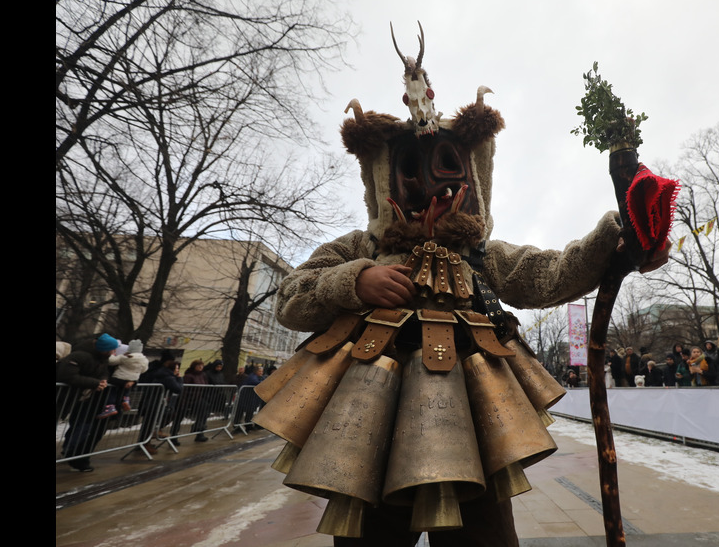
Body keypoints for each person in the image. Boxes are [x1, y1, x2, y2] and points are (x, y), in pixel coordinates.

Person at [263, 33, 674, 546]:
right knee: (371, 536)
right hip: (369, 428)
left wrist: (619, 236)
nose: (425, 189)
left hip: (476, 424)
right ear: (386, 178)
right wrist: (353, 281)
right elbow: (290, 297)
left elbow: (552, 273)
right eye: (410, 172)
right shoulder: (359, 246)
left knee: (485, 537)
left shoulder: (483, 255)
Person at [56, 333, 118, 472]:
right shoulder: (80, 356)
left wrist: (102, 381)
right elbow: (66, 375)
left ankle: (74, 455)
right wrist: (95, 383)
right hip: (63, 396)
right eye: (112, 350)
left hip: (76, 398)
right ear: (105, 349)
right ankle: (71, 453)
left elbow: (104, 372)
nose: (114, 353)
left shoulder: (102, 359)